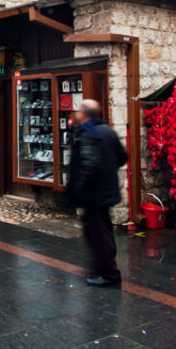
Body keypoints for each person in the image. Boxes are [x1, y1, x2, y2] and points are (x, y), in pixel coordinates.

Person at [67, 99, 128, 288]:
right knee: (101, 230)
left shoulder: (88, 133)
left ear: (84, 114)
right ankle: (101, 267)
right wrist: (109, 171)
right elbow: (122, 156)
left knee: (97, 233)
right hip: (106, 191)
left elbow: (89, 164)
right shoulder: (108, 131)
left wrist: (80, 188)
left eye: (78, 111)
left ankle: (109, 273)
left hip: (94, 194)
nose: (76, 114)